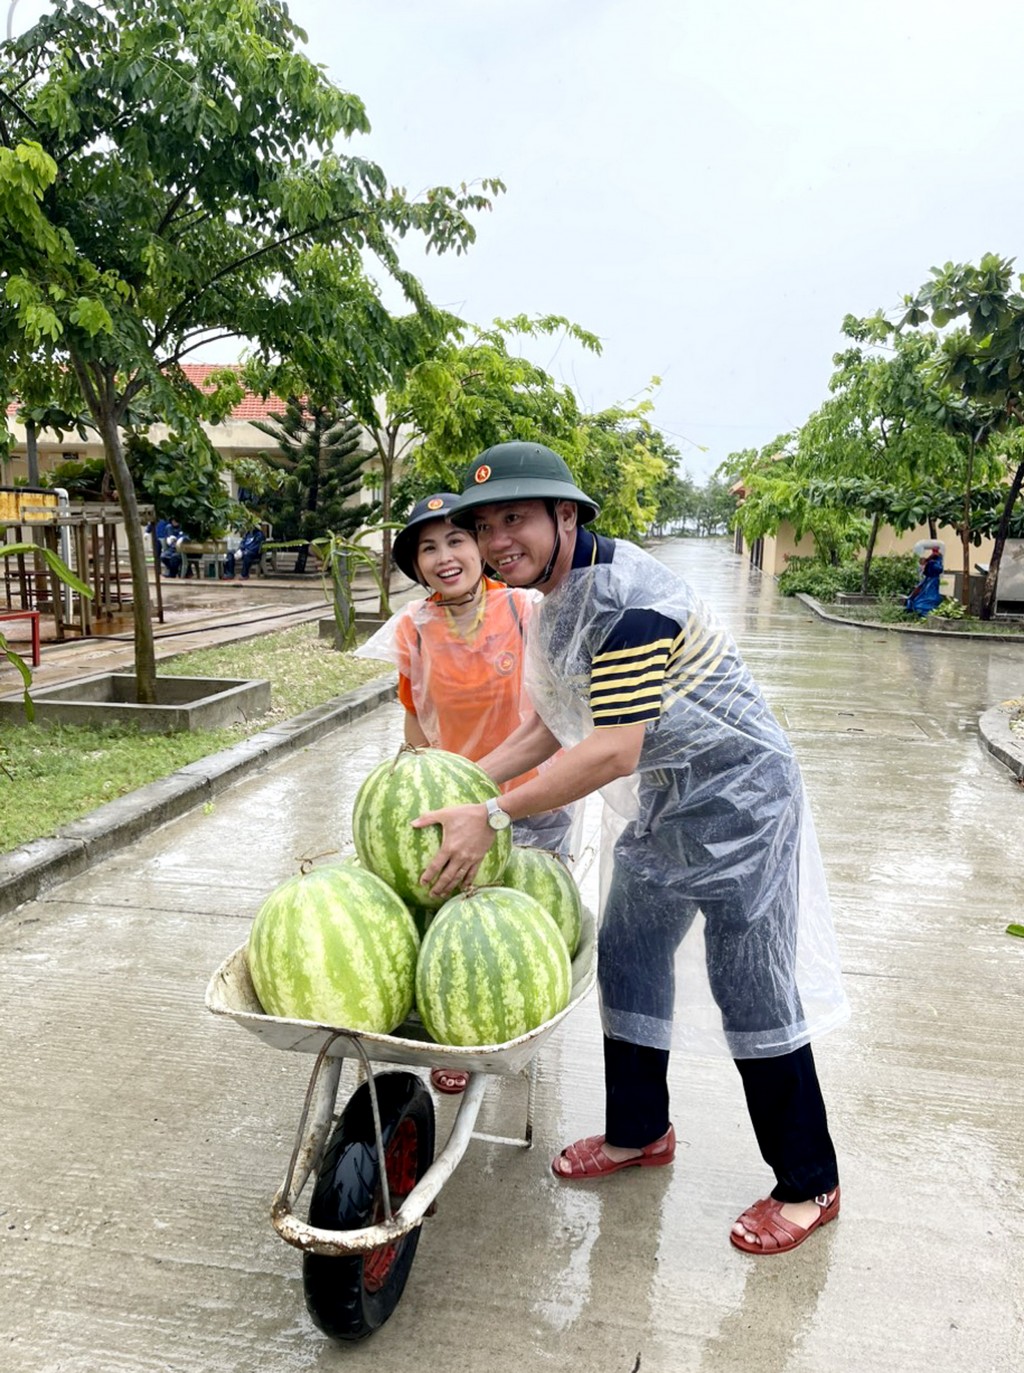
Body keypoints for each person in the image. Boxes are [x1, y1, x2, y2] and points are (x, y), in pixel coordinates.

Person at [413, 442, 850, 1255]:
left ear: (565, 515)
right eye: (485, 523)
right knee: (629, 950)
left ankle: (809, 1181)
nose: (497, 538)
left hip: (740, 801)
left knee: (750, 986)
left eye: (516, 518)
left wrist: (494, 814)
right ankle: (640, 1132)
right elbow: (552, 723)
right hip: (668, 802)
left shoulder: (629, 602)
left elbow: (610, 750)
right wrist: (464, 784)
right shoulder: (559, 597)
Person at [356, 491, 580, 1096]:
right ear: (416, 565)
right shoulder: (414, 631)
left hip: (533, 797)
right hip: (452, 809)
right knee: (451, 925)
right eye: (427, 548)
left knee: (518, 925)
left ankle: (516, 1022)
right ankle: (455, 1032)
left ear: (480, 548)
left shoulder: (527, 609)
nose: (444, 556)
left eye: (456, 539)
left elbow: (560, 709)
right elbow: (414, 720)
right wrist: (412, 787)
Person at [905, 541, 944, 616]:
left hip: (932, 581)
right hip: (931, 581)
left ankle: (922, 610)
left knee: (924, 599)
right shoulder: (930, 574)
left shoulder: (933, 564)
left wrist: (927, 560)